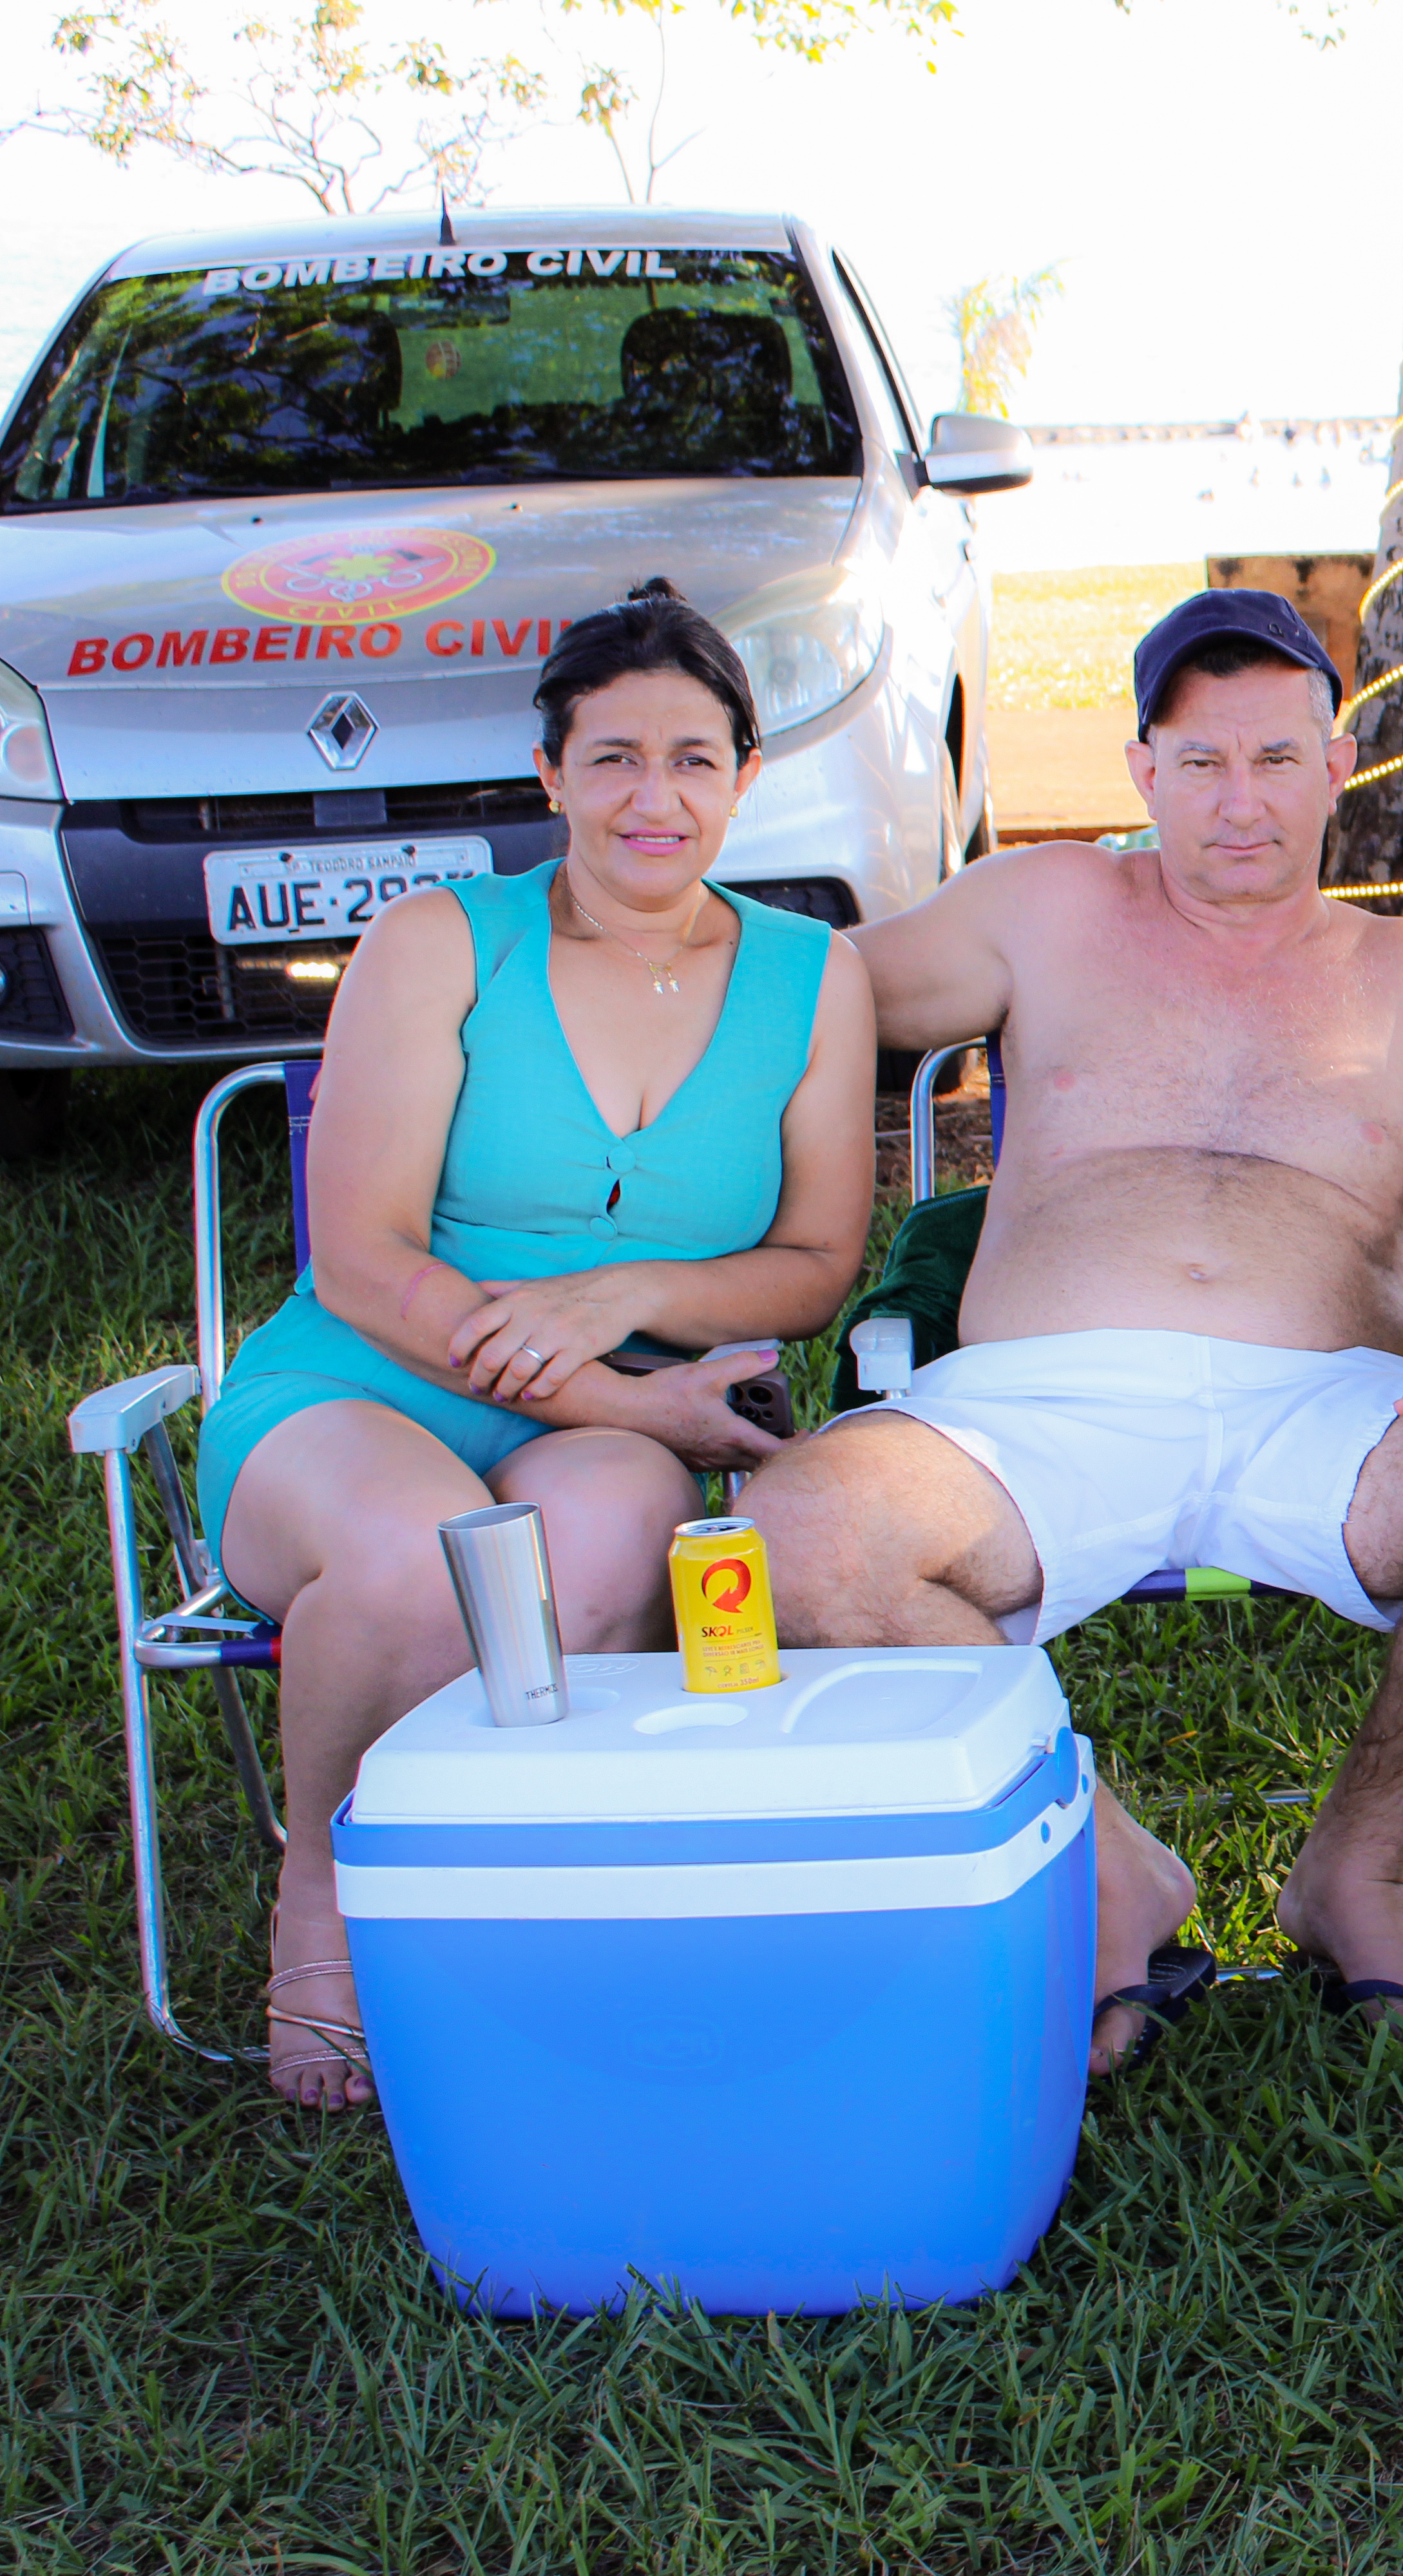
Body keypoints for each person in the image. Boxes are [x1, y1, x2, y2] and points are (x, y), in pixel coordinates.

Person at [738, 591, 1403, 2072]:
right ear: (1142, 768)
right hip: (1034, 1409)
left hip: (1332, 1406)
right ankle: (1113, 1872)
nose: (1240, 801)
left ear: (1336, 767)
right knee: (793, 1535)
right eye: (1201, 761)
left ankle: (1352, 1873)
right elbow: (798, 993)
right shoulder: (1046, 907)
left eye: (1277, 759)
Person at [202, 580, 880, 2109]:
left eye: (693, 759)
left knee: (600, 1545)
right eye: (614, 757)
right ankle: (326, 1894)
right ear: (551, 773)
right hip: (364, 1378)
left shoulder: (813, 975)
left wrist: (615, 1297)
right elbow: (363, 1255)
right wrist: (620, 1393)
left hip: (627, 1402)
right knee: (420, 1554)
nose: (655, 797)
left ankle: (513, 1891)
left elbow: (814, 1265)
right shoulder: (443, 941)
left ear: (746, 775)